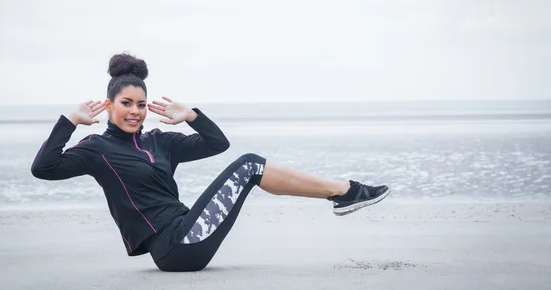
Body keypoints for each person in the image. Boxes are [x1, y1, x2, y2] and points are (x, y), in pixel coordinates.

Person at [31, 52, 390, 272]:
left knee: (250, 168)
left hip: (187, 230)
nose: (136, 112)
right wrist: (70, 122)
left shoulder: (160, 142)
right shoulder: (97, 148)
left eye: (141, 105)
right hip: (172, 247)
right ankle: (344, 191)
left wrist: (191, 116)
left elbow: (217, 144)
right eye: (126, 103)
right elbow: (44, 169)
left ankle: (343, 193)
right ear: (109, 105)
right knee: (249, 166)